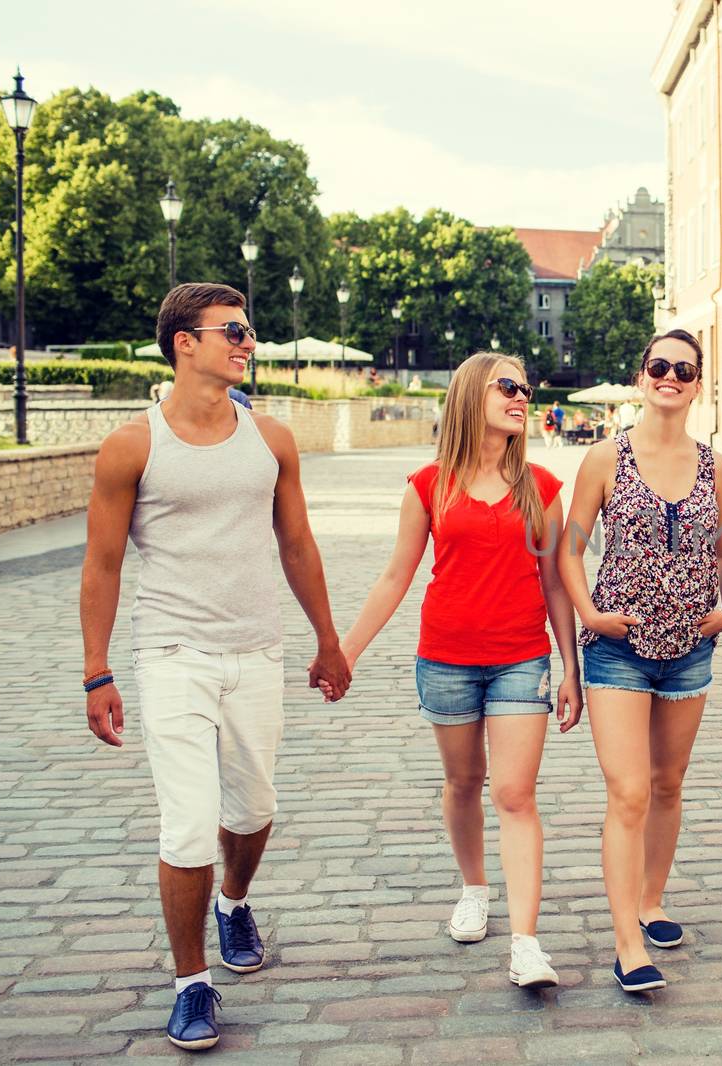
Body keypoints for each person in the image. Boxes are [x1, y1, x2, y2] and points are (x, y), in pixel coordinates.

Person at [78, 283, 351, 1052]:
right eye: (231, 330)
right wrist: (97, 672)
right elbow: (100, 566)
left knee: (253, 808)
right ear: (183, 343)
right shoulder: (132, 445)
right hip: (171, 653)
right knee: (188, 824)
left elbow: (297, 544)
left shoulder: (271, 438)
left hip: (256, 649)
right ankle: (191, 983)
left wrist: (328, 639)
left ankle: (235, 900)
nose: (247, 341)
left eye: (249, 328)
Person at [333, 351, 581, 989]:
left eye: (526, 389)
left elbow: (555, 584)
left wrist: (570, 671)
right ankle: (475, 888)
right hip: (444, 657)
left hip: (521, 658)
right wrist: (346, 650)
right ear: (473, 395)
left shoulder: (543, 488)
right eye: (508, 387)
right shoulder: (428, 484)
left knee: (514, 794)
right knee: (464, 781)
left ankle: (526, 943)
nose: (523, 397)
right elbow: (396, 576)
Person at [558, 329, 722, 993]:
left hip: (691, 648)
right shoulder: (606, 458)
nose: (670, 377)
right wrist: (589, 615)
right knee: (629, 790)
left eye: (684, 370)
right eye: (659, 366)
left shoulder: (714, 465)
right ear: (643, 377)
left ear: (698, 384)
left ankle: (652, 899)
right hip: (619, 649)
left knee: (669, 782)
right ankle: (627, 944)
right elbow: (569, 549)